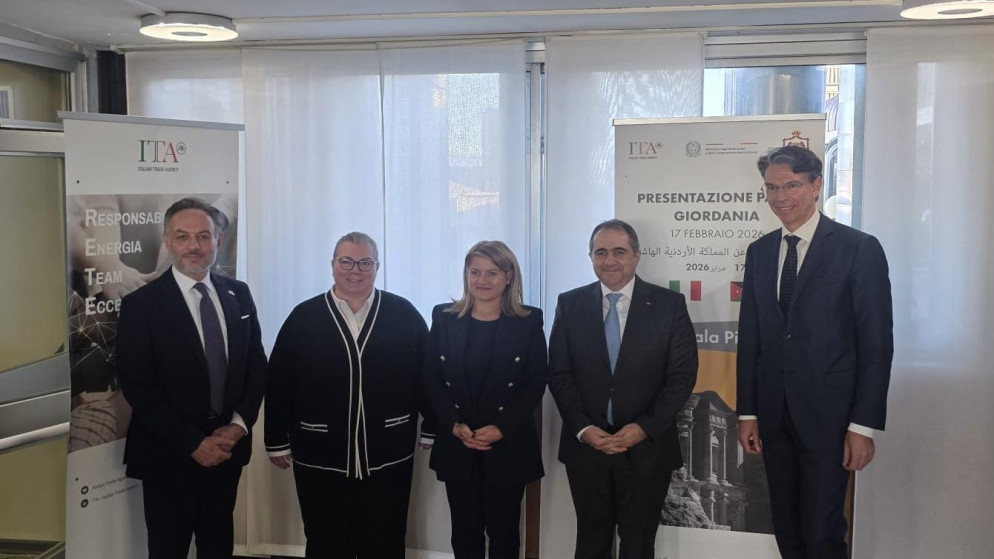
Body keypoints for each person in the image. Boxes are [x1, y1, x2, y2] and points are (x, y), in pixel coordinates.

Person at [736, 145, 893, 559]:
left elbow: (876, 344)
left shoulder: (857, 249)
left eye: (791, 185)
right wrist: (747, 412)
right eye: (771, 188)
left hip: (832, 420)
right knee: (787, 531)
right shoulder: (759, 252)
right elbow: (751, 337)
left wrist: (863, 426)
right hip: (774, 417)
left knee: (823, 533)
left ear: (816, 185)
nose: (780, 197)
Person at [264, 232, 432, 559]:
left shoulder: (403, 313)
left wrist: (432, 426)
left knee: (385, 538)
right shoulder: (303, 317)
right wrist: (276, 439)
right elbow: (280, 381)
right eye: (347, 261)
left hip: (388, 450)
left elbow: (426, 375)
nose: (355, 270)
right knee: (326, 538)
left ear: (377, 266)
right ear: (333, 265)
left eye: (365, 262)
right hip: (320, 450)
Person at [117, 197, 268, 559]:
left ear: (218, 240)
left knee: (218, 545)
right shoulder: (141, 306)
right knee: (168, 548)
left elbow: (256, 366)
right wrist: (193, 443)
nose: (194, 246)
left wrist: (238, 426)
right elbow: (139, 386)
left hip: (226, 449)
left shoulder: (238, 294)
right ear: (167, 242)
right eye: (182, 236)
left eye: (203, 236)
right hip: (168, 453)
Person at [548, 219, 699, 559]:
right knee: (591, 543)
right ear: (590, 257)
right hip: (588, 448)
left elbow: (681, 376)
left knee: (638, 545)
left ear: (636, 256)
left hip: (647, 449)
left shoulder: (669, 305)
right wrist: (584, 428)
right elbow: (559, 373)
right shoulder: (570, 304)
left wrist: (643, 428)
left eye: (619, 252)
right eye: (600, 252)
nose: (610, 261)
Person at [423, 240, 547, 559]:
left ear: (509, 276)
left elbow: (534, 383)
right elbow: (431, 378)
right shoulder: (444, 317)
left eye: (492, 272)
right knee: (464, 534)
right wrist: (452, 424)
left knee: (504, 535)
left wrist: (501, 427)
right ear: (466, 274)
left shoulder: (528, 320)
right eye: (475, 272)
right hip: (458, 442)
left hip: (507, 444)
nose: (482, 280)